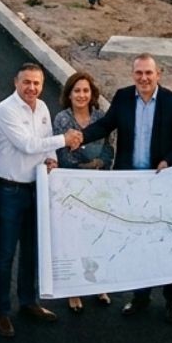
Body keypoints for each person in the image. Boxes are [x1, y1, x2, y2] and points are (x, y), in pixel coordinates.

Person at [76, 54, 172, 321]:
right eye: (139, 73)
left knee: (164, 241)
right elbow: (106, 126)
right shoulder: (123, 97)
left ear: (158, 74)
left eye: (148, 73)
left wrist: (168, 161)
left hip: (160, 183)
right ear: (133, 75)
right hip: (129, 184)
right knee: (137, 241)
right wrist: (81, 136)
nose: (143, 78)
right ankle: (140, 297)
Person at [0, 64, 67, 337]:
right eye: (26, 82)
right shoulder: (6, 110)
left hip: (36, 188)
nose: (31, 88)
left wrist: (52, 160)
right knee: (6, 252)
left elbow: (46, 145)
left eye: (36, 83)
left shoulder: (43, 108)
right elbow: (27, 144)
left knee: (32, 249)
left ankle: (28, 301)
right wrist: (64, 139)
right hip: (10, 190)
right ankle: (1, 311)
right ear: (16, 81)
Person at [51, 71, 113, 312]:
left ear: (92, 93)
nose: (81, 95)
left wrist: (100, 162)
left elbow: (109, 149)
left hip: (98, 187)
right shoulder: (62, 120)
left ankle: (98, 284)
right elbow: (63, 154)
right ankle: (74, 290)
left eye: (85, 90)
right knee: (74, 238)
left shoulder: (101, 117)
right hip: (72, 187)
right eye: (76, 90)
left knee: (96, 237)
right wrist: (87, 164)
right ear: (69, 94)